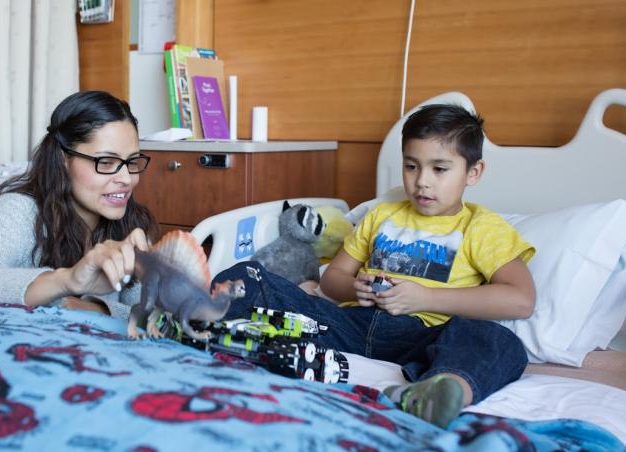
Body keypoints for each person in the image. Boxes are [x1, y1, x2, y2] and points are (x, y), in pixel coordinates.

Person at [215, 104, 535, 429]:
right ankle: (199, 312)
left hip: (420, 336)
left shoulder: (481, 227)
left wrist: (426, 298)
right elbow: (333, 279)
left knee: (498, 340)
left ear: (473, 172)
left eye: (439, 169)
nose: (422, 181)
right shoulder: (382, 216)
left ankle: (438, 392)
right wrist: (356, 288)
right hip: (350, 325)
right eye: (412, 166)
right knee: (250, 276)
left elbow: (521, 299)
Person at [0, 91, 157, 317]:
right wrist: (67, 280)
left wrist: (100, 309)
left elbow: (155, 317)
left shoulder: (132, 225)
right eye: (106, 162)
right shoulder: (19, 211)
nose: (127, 179)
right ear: (63, 159)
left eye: (132, 162)